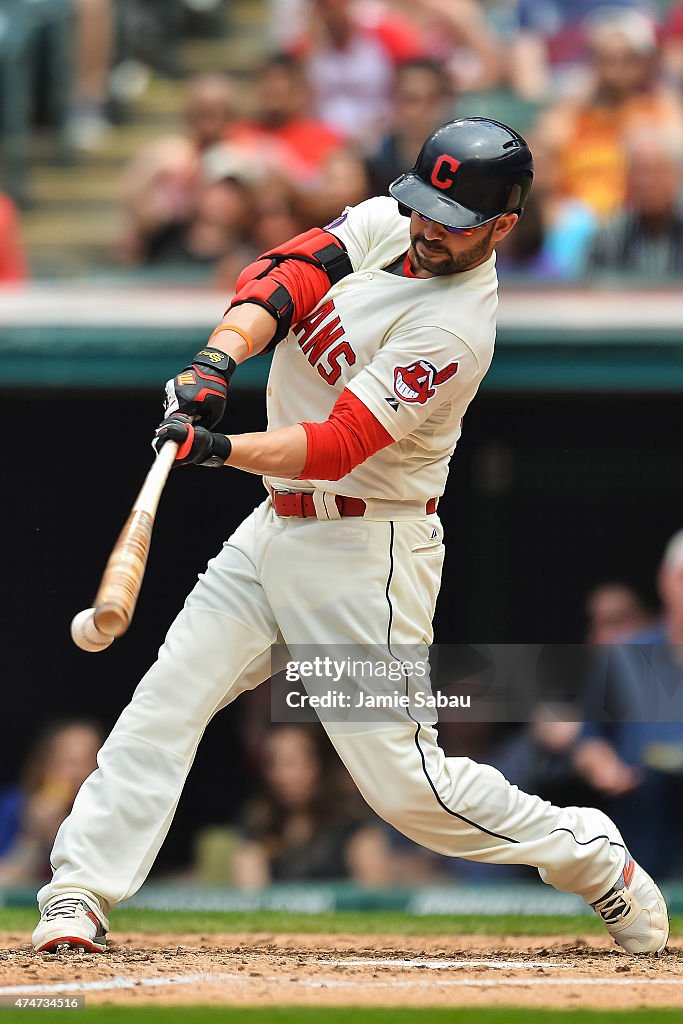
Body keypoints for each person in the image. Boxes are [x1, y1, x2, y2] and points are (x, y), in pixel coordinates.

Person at [32, 117, 667, 957]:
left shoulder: (454, 330)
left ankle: (588, 856)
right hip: (272, 531)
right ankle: (78, 894)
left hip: (368, 551)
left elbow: (337, 446)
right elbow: (282, 273)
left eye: (454, 217)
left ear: (502, 228)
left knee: (409, 792)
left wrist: (216, 447)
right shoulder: (385, 223)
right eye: (424, 205)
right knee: (164, 704)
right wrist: (217, 363)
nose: (429, 227)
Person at [573, 530, 683, 878]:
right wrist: (603, 766)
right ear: (665, 582)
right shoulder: (623, 656)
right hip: (641, 833)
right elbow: (588, 741)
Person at [233, 724, 391, 886]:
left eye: (291, 763)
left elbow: (375, 894)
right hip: (277, 911)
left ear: (318, 765)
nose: (281, 775)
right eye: (273, 763)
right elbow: (250, 895)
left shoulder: (352, 822)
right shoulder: (260, 822)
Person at [0, 722, 101, 885]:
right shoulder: (14, 806)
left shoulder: (104, 811)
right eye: (69, 762)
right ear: (46, 765)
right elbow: (5, 880)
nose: (77, 773)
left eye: (87, 761)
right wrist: (34, 835)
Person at [586, 129, 683, 277]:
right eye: (640, 172)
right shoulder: (611, 235)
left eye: (657, 171)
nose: (647, 182)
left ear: (677, 176)